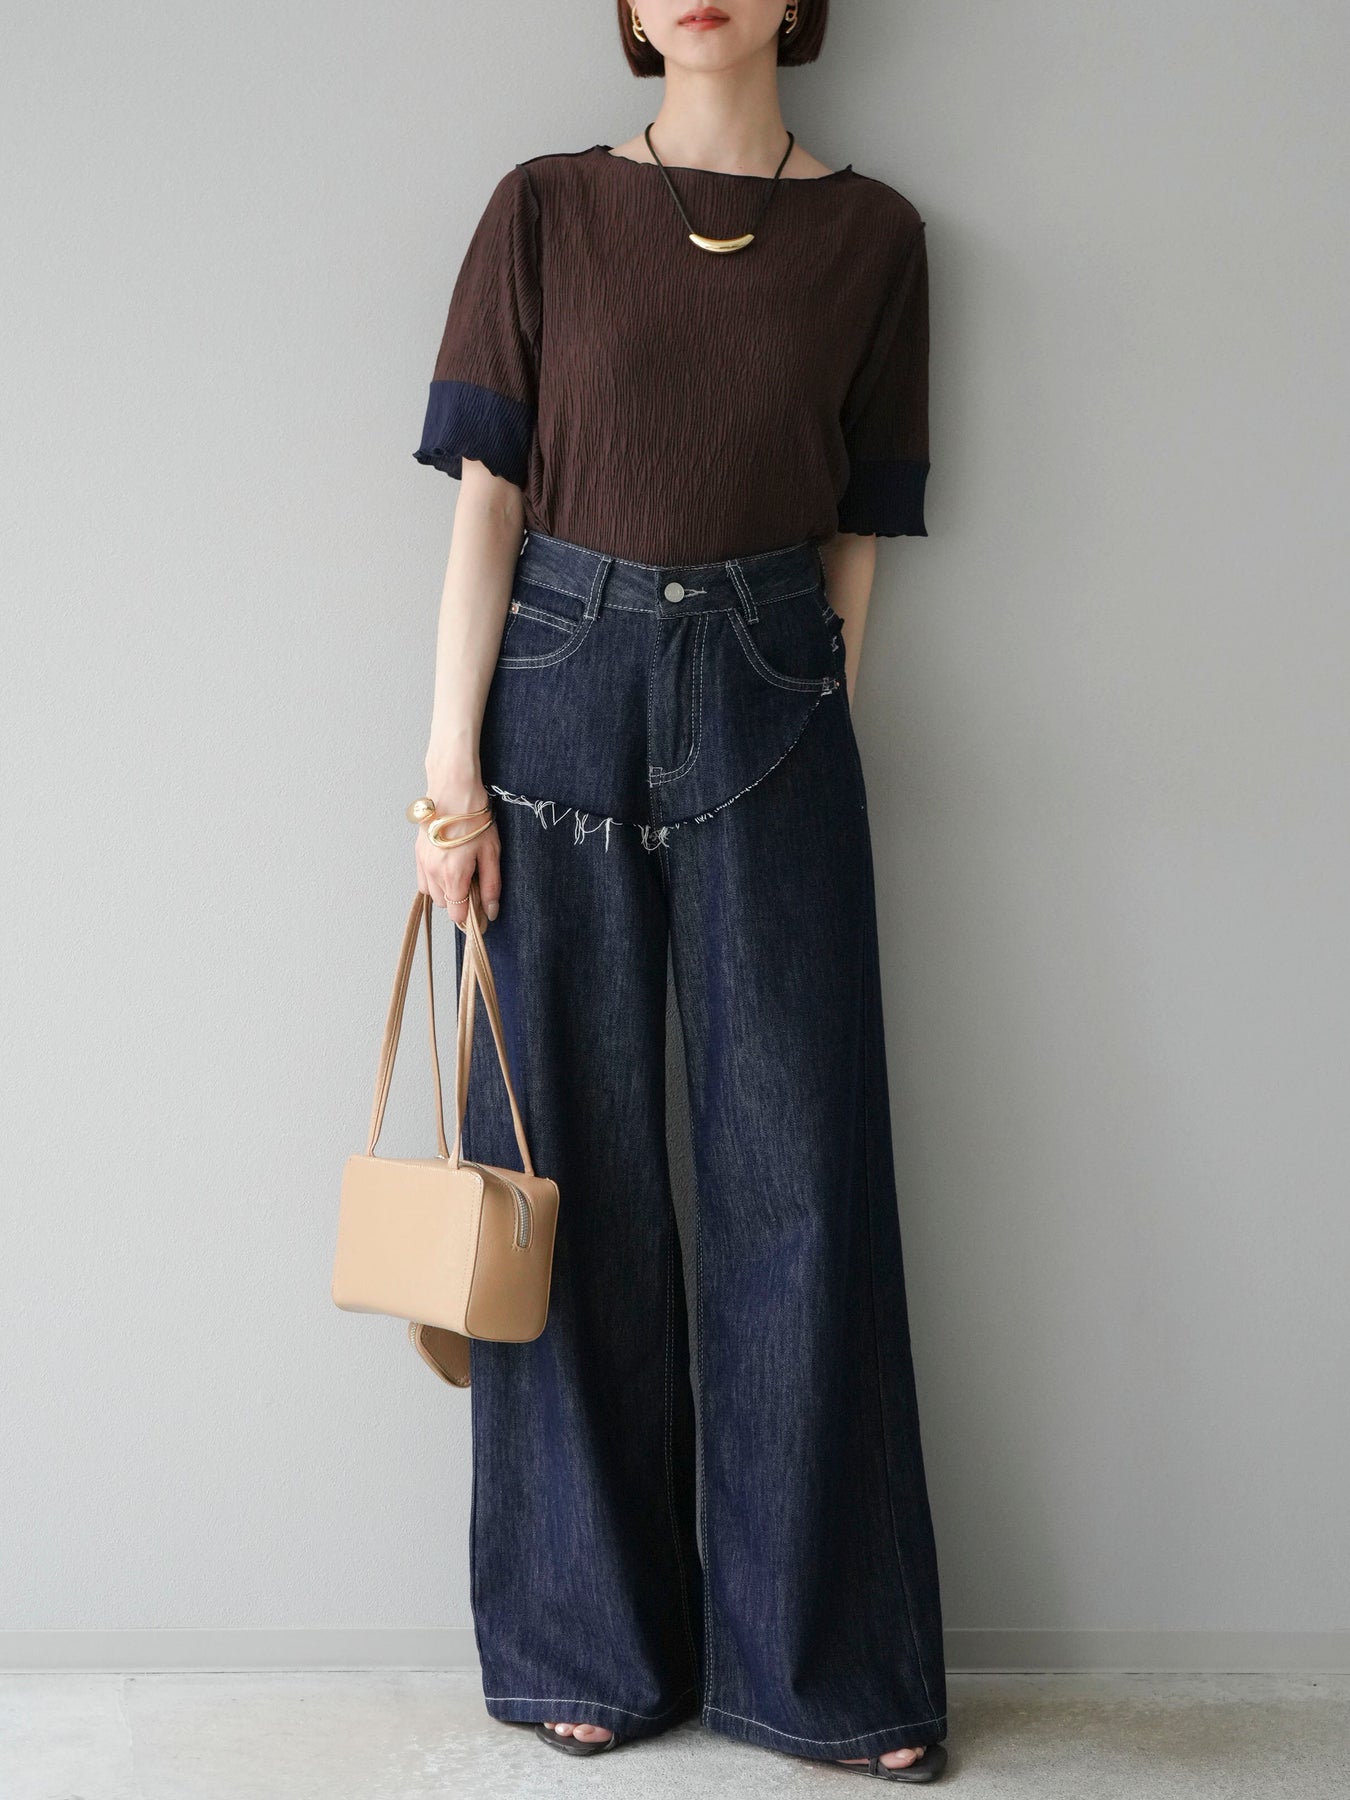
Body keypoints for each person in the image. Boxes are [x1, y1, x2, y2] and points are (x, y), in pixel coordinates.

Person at [407, 0, 948, 1783]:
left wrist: (816, 709)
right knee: (561, 1169)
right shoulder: (544, 206)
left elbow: (857, 527)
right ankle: (585, 1643)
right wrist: (445, 776)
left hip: (774, 687)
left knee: (800, 1181)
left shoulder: (875, 236)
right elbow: (486, 508)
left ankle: (824, 1672)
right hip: (555, 683)